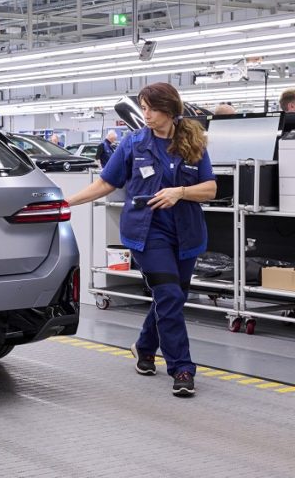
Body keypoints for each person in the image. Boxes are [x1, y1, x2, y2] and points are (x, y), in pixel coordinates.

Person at [67, 82, 216, 397]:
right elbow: (106, 183)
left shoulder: (193, 141)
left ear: (169, 110)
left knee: (172, 297)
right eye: (144, 108)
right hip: (148, 233)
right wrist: (68, 202)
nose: (145, 114)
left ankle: (145, 347)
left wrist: (181, 192)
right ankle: (182, 368)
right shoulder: (133, 144)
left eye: (151, 109)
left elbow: (210, 189)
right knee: (170, 295)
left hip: (186, 234)